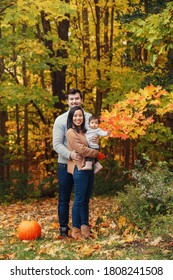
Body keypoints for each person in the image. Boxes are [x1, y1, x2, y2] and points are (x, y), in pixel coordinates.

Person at [52, 88, 92, 237]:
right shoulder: (60, 120)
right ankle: (63, 228)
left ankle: (82, 227)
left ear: (81, 100)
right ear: (67, 101)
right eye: (71, 99)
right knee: (64, 197)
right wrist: (70, 154)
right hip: (64, 164)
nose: (74, 101)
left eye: (77, 98)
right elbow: (56, 144)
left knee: (82, 197)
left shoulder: (88, 118)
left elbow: (93, 138)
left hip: (83, 165)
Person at [66, 106, 99, 239]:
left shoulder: (86, 131)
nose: (78, 118)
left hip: (89, 167)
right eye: (75, 116)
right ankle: (76, 229)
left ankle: (85, 226)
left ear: (83, 117)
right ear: (71, 118)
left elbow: (94, 142)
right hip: (79, 168)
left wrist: (94, 147)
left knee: (86, 199)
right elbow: (81, 149)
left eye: (80, 115)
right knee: (78, 200)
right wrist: (96, 153)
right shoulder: (70, 132)